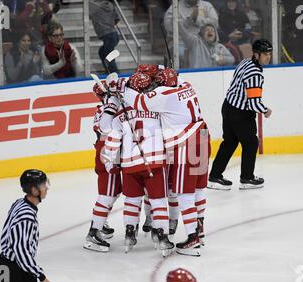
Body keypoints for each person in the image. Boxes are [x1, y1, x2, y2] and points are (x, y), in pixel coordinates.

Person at [117, 66, 210, 256]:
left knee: (183, 193)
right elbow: (168, 76)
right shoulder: (185, 84)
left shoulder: (163, 94)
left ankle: (193, 237)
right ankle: (199, 227)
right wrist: (159, 70)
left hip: (186, 143)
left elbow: (138, 101)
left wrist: (122, 87)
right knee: (199, 189)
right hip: (202, 135)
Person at [102, 72, 174, 257]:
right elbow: (169, 133)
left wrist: (109, 159)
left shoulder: (120, 116)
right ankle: (162, 235)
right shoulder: (158, 110)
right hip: (154, 163)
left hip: (129, 166)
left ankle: (129, 233)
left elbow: (112, 138)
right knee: (158, 201)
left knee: (132, 201)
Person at [208, 39, 273, 191]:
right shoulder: (255, 73)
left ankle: (215, 176)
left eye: (269, 54)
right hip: (241, 114)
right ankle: (247, 178)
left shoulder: (245, 62)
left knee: (229, 142)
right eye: (265, 54)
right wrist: (265, 110)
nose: (268, 57)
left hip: (228, 106)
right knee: (251, 143)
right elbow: (253, 103)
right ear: (256, 55)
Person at [0, 169, 52, 282]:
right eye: (43, 185)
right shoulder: (26, 216)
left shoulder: (19, 202)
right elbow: (21, 252)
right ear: (34, 190)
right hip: (15, 271)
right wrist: (41, 276)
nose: (46, 188)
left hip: (5, 266)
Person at [83, 81, 121, 252]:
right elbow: (105, 130)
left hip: (108, 151)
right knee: (108, 193)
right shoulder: (105, 110)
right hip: (107, 152)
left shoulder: (105, 108)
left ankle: (100, 221)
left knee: (114, 190)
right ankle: (93, 232)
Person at [164, 0, 218, 67]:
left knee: (217, 54)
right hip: (181, 43)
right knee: (183, 55)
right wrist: (189, 20)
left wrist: (197, 20)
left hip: (204, 43)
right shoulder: (175, 8)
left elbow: (215, 22)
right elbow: (168, 26)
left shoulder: (206, 6)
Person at [89, 0, 120, 73]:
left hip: (108, 36)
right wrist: (109, 25)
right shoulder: (111, 5)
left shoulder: (94, 6)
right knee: (102, 52)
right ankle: (109, 71)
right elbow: (117, 19)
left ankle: (114, 74)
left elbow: (87, 15)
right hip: (113, 34)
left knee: (108, 57)